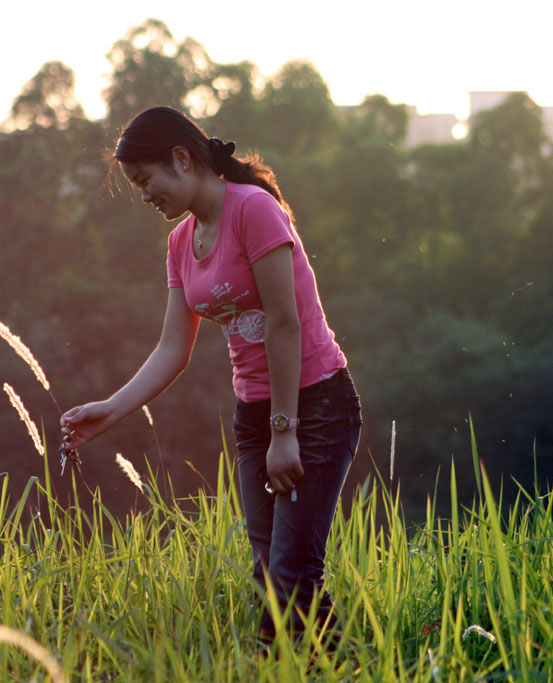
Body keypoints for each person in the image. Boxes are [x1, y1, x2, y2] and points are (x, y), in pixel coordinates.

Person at [60, 105, 362, 644]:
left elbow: (286, 323)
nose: (145, 195)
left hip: (313, 405)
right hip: (255, 417)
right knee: (272, 577)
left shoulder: (253, 210)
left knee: (292, 578)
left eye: (145, 180)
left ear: (182, 158)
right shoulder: (180, 243)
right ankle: (336, 666)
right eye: (135, 186)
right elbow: (173, 348)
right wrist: (111, 410)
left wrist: (285, 430)